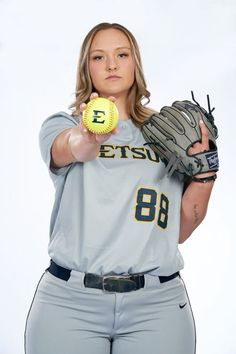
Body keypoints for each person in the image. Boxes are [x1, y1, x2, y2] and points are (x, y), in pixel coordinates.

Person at [24, 22, 217, 354]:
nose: (112, 64)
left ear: (135, 63)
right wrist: (87, 137)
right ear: (87, 68)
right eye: (99, 57)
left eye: (122, 54)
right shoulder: (64, 124)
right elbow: (72, 147)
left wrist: (205, 173)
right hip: (70, 302)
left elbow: (180, 230)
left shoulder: (168, 137)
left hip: (156, 304)